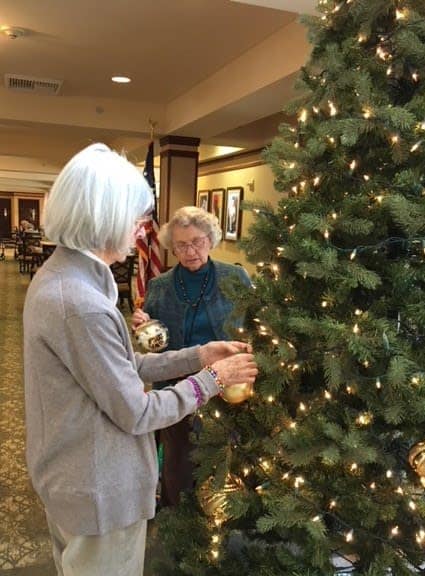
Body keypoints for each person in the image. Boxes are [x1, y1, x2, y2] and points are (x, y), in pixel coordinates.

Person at [23, 144, 258, 576]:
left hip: (78, 479)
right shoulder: (80, 302)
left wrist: (201, 354)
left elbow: (124, 365)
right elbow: (138, 410)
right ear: (104, 217)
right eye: (135, 220)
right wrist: (214, 377)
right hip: (98, 491)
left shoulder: (65, 278)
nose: (141, 233)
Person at [132, 205, 252, 507]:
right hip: (178, 391)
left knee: (225, 457)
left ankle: (221, 517)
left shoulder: (235, 278)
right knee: (179, 464)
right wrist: (145, 329)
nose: (190, 251)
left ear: (210, 240)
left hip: (228, 388)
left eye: (197, 242)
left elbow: (255, 325)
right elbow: (156, 351)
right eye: (181, 245)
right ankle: (177, 519)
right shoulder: (159, 287)